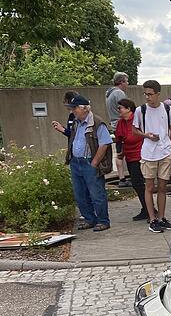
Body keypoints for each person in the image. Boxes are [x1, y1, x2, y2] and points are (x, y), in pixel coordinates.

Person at [133, 80, 171, 233]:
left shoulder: (168, 109)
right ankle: (152, 219)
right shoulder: (141, 110)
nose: (147, 97)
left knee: (163, 186)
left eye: (150, 94)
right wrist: (147, 135)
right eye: (145, 94)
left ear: (158, 94)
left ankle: (161, 217)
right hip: (148, 153)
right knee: (149, 186)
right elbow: (134, 130)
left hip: (165, 152)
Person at [63, 95, 113, 231]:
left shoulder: (97, 122)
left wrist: (94, 163)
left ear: (84, 109)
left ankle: (103, 221)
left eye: (75, 108)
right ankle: (89, 219)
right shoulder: (76, 122)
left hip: (89, 162)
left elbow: (105, 144)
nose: (73, 111)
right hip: (76, 162)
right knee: (80, 194)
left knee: (97, 194)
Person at [115, 98, 149, 221]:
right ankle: (146, 208)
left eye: (120, 108)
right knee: (136, 184)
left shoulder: (137, 119)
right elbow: (118, 138)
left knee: (139, 183)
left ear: (128, 109)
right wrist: (120, 151)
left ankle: (149, 209)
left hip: (139, 155)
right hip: (129, 155)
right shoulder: (121, 123)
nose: (118, 110)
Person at [105, 72, 131, 187]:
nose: (127, 84)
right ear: (121, 82)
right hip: (122, 125)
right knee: (127, 151)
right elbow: (126, 110)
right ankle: (128, 177)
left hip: (115, 126)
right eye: (126, 81)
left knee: (119, 151)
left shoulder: (109, 94)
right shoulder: (119, 93)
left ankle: (122, 177)